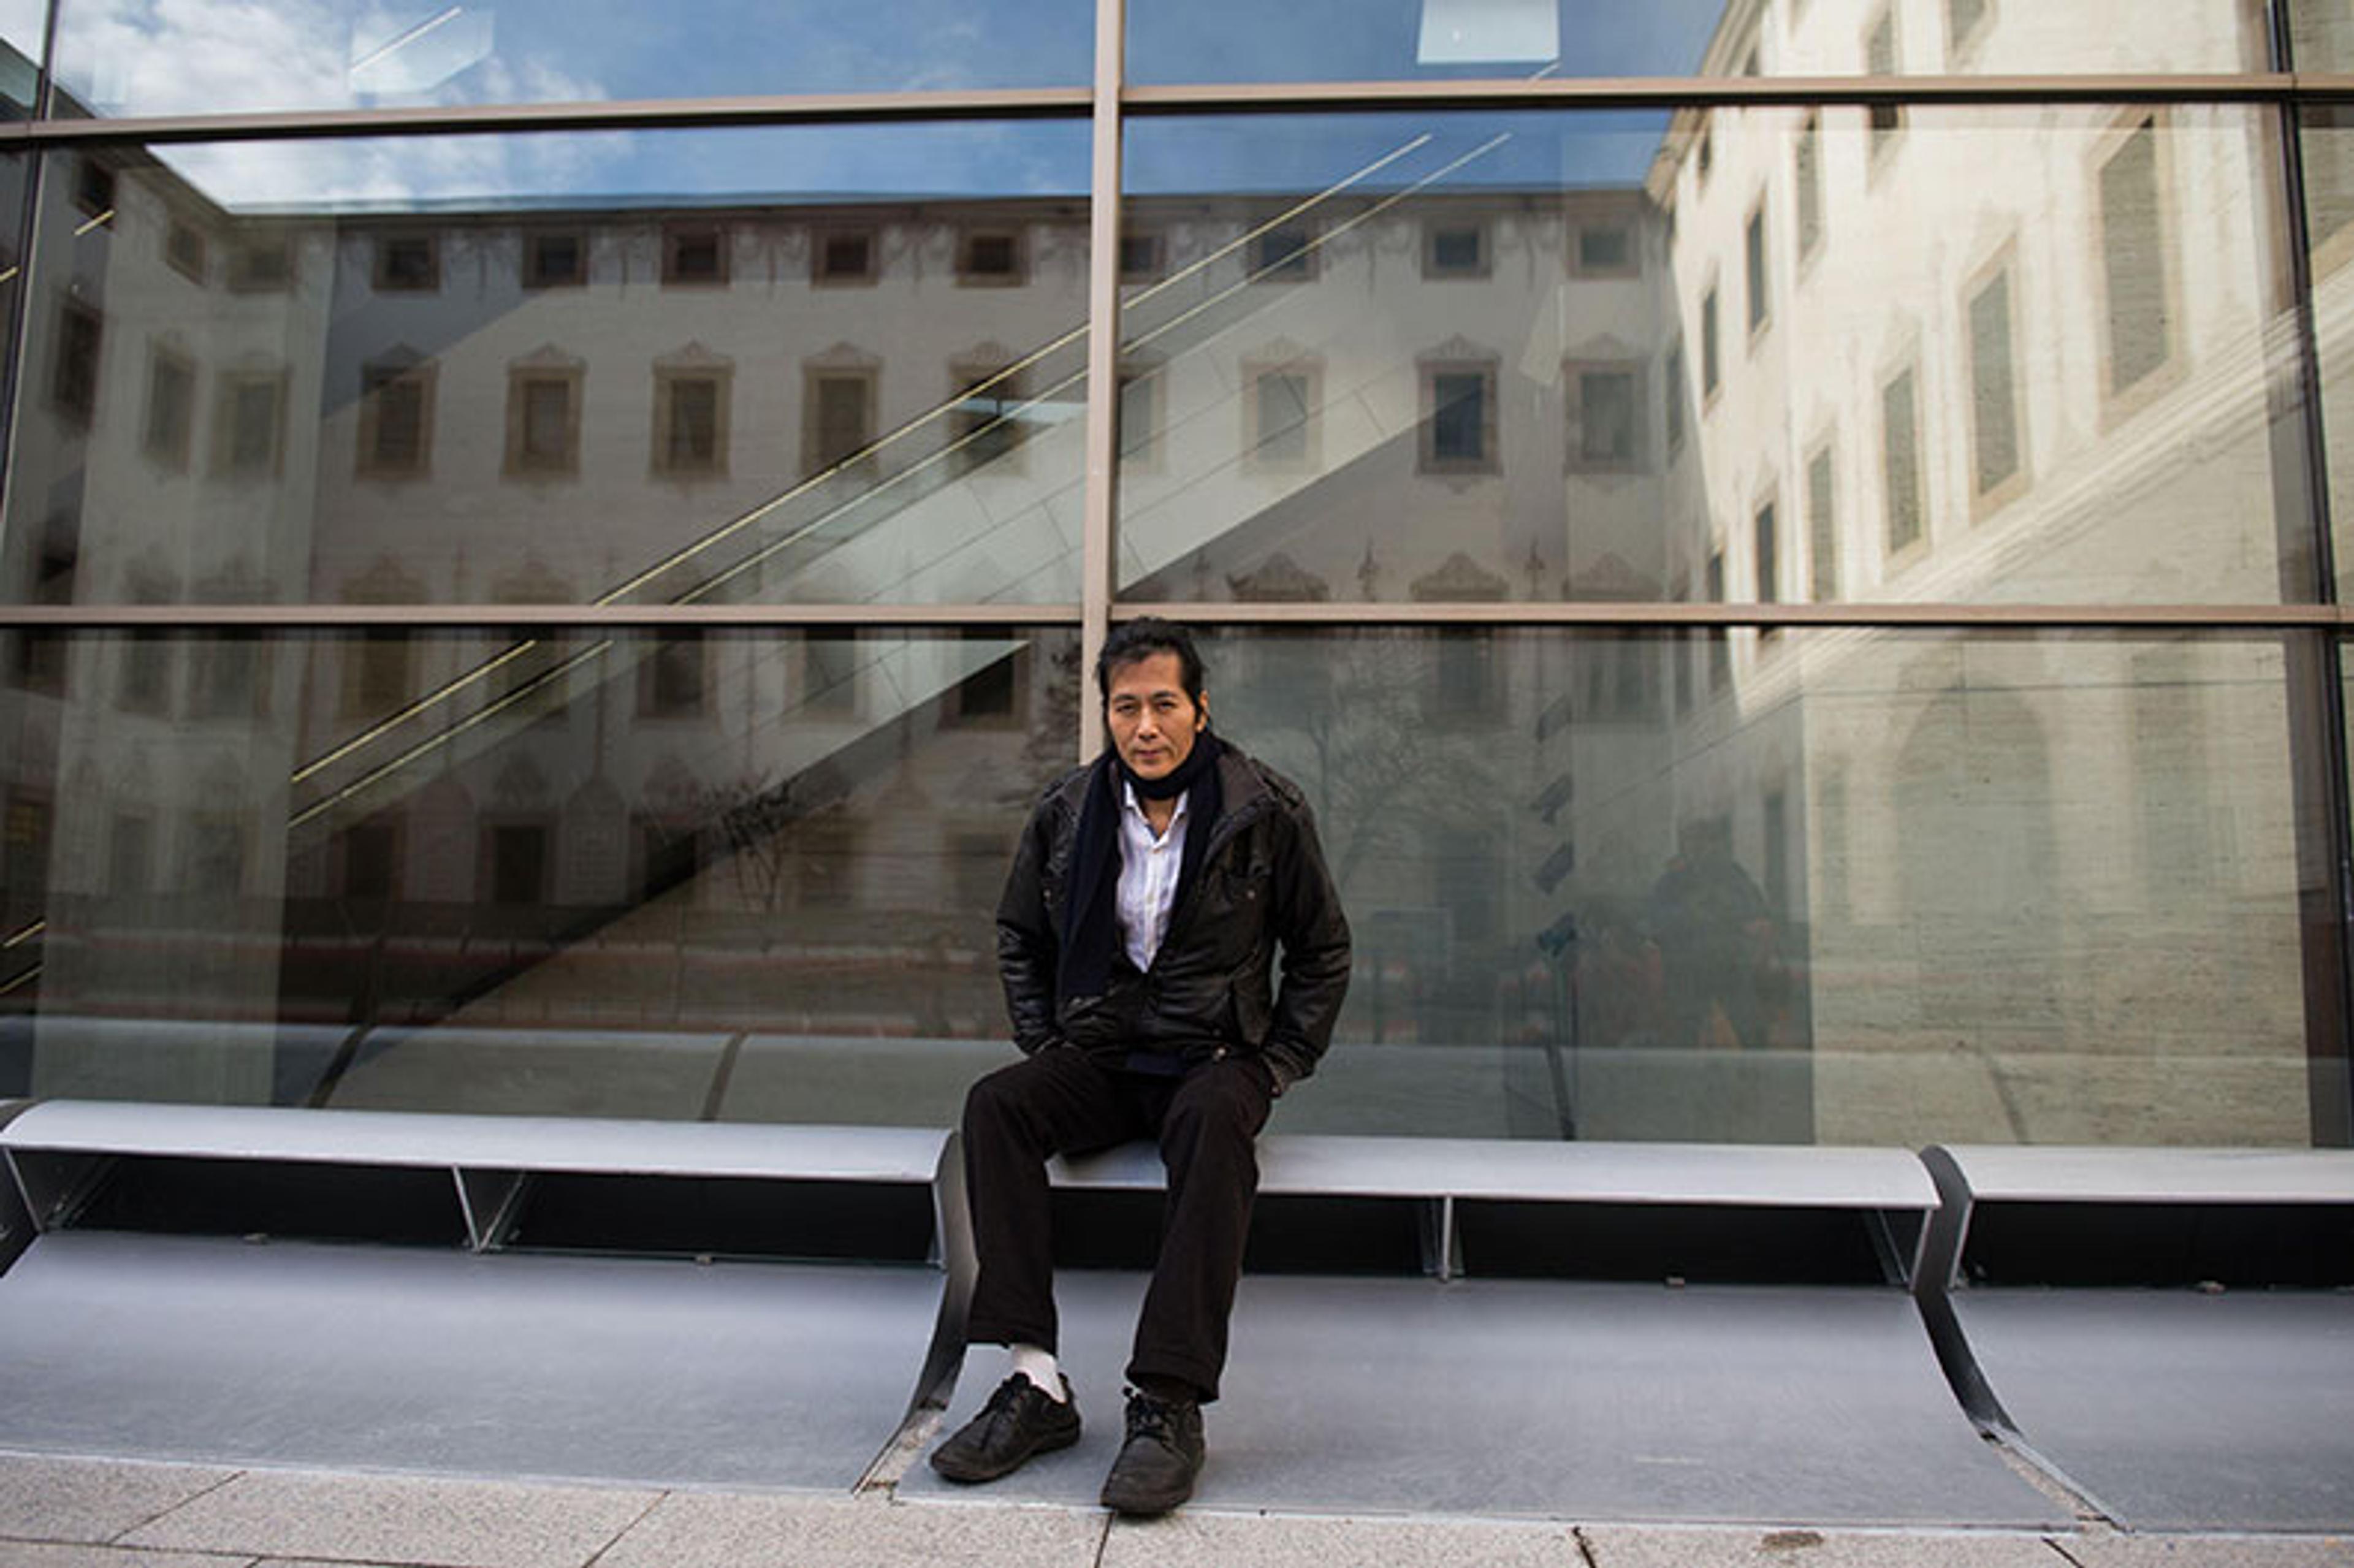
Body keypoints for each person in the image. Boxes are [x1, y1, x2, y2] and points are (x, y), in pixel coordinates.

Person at [929, 617, 1351, 1515]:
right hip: (1105, 1047)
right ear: (1108, 714)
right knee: (997, 1107)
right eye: (1127, 707)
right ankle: (1034, 1380)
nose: (1146, 725)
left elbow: (1322, 948)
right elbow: (1020, 933)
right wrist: (1047, 1041)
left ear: (1200, 708)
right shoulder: (1071, 811)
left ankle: (1167, 1402)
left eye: (1165, 703)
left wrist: (1280, 1060)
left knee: (1212, 1125)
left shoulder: (1262, 809)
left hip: (1217, 1052)